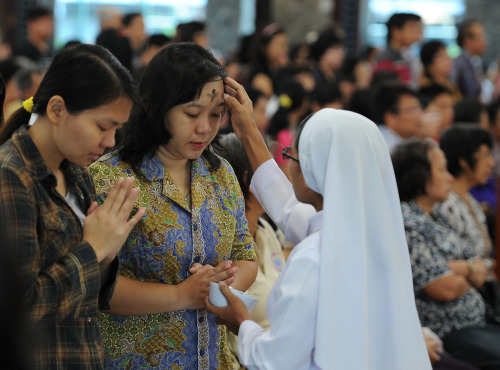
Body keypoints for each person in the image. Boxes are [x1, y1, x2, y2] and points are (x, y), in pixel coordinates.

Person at [207, 100, 431, 367]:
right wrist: (249, 132)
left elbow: (274, 361)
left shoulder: (313, 258)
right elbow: (289, 209)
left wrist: (242, 322)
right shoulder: (379, 238)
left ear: (312, 171)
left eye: (291, 157)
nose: (287, 167)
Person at [89, 42, 257, 369]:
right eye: (192, 114)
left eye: (215, 115)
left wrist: (221, 285)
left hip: (213, 359)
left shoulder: (220, 174)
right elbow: (93, 285)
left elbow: (246, 255)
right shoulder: (112, 179)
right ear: (158, 107)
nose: (205, 128)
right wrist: (182, 294)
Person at [0, 43, 144, 369]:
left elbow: (88, 295)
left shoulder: (75, 170)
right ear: (56, 109)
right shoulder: (11, 176)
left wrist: (107, 252)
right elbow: (20, 310)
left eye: (116, 130)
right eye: (102, 127)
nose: (110, 142)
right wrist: (92, 250)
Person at [391, 138, 500, 369]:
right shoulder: (407, 222)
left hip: (477, 319)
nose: (449, 177)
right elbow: (445, 287)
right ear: (419, 177)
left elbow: (479, 266)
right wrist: (465, 269)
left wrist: (456, 268)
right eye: (441, 170)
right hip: (449, 330)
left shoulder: (434, 214)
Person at [216, 133, 286, 369]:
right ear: (246, 178)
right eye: (268, 168)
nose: (279, 178)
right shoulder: (222, 245)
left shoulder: (265, 230)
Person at [436, 125, 495, 269]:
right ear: (463, 160)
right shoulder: (447, 204)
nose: (491, 163)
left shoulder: (470, 199)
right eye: (485, 155)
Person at [373, 13, 423, 88]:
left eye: (420, 29)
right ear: (395, 31)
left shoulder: (406, 55)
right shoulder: (385, 59)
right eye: (413, 28)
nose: (418, 33)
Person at [374, 82, 422, 150]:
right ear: (390, 118)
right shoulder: (382, 146)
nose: (419, 114)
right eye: (412, 109)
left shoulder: (411, 139)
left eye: (419, 108)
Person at [450, 20, 488, 102]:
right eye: (482, 37)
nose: (485, 42)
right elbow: (452, 92)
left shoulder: (475, 61)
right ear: (468, 41)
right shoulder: (458, 63)